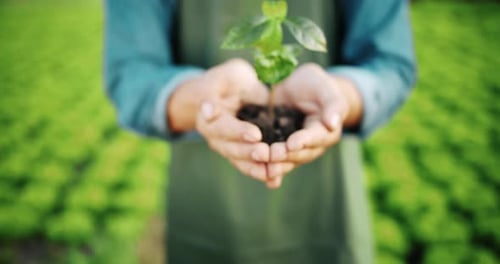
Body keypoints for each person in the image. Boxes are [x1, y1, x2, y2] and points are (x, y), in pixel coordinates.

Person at [104, 0, 416, 263]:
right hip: (206, 205)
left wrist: (339, 96)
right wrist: (201, 100)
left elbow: (391, 62)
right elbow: (131, 75)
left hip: (326, 208)